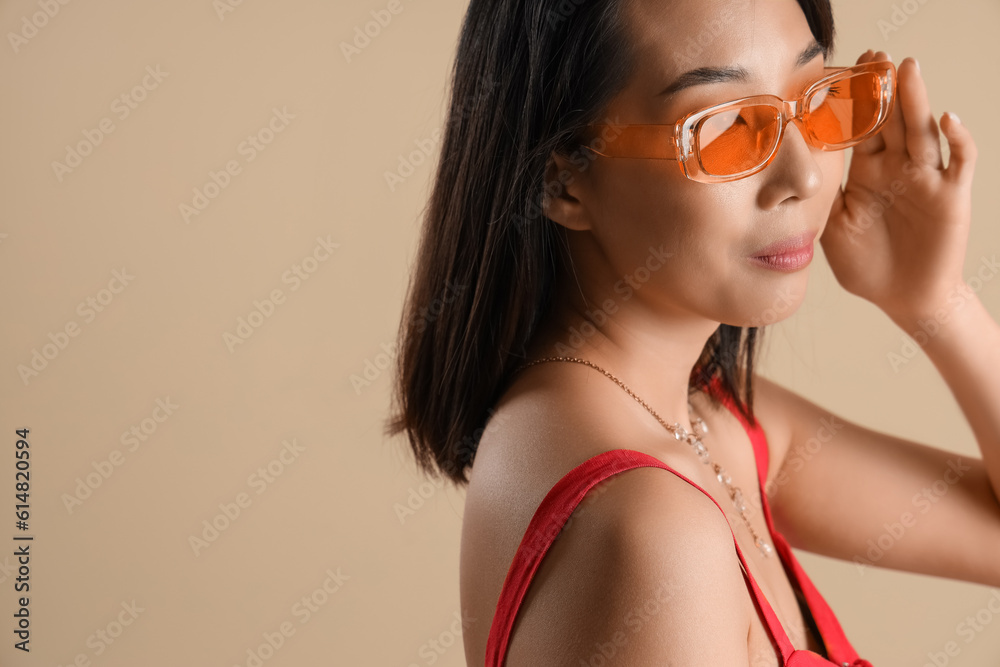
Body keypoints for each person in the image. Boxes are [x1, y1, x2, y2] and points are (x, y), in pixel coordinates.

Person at [387, 0, 1000, 664]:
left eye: (814, 98)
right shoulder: (652, 525)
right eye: (729, 125)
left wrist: (937, 302)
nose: (807, 175)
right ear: (563, 174)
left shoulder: (706, 419)